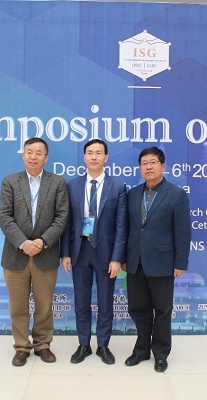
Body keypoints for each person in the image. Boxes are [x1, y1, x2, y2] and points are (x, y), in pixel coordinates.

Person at [0, 137, 69, 367]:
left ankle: (42, 345)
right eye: (29, 152)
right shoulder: (10, 182)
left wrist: (42, 241)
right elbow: (5, 217)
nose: (33, 156)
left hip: (45, 254)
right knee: (17, 307)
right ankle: (21, 347)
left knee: (44, 305)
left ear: (46, 157)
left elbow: (62, 217)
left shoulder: (57, 183)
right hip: (15, 254)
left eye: (39, 152)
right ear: (23, 155)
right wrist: (23, 243)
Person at [123, 147, 191, 373]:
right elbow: (127, 229)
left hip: (163, 263)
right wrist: (123, 257)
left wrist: (180, 263)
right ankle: (141, 350)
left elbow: (183, 232)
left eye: (153, 162)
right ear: (140, 168)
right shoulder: (133, 193)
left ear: (163, 166)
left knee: (162, 311)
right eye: (144, 163)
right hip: (135, 262)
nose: (148, 167)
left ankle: (161, 354)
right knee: (138, 309)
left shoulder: (176, 194)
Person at [61, 139, 128, 365]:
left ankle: (103, 346)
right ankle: (83, 344)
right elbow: (67, 222)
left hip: (106, 255)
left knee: (105, 303)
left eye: (99, 153)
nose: (94, 157)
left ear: (106, 157)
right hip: (79, 251)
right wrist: (66, 253)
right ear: (84, 157)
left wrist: (117, 258)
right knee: (81, 302)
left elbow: (121, 227)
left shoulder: (117, 187)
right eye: (90, 153)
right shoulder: (72, 185)